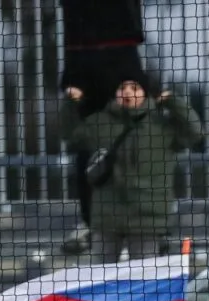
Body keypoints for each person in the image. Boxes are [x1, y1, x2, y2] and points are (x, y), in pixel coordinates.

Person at [58, 74, 203, 263]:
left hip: (148, 220)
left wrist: (171, 100)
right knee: (103, 281)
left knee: (142, 281)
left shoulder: (162, 127)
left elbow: (195, 131)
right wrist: (70, 103)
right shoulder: (100, 123)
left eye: (134, 88)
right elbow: (68, 134)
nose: (127, 92)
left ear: (146, 94)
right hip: (107, 219)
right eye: (122, 88)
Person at [56, 0, 147, 255]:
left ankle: (138, 222)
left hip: (118, 53)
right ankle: (92, 222)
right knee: (87, 147)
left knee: (133, 140)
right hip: (83, 54)